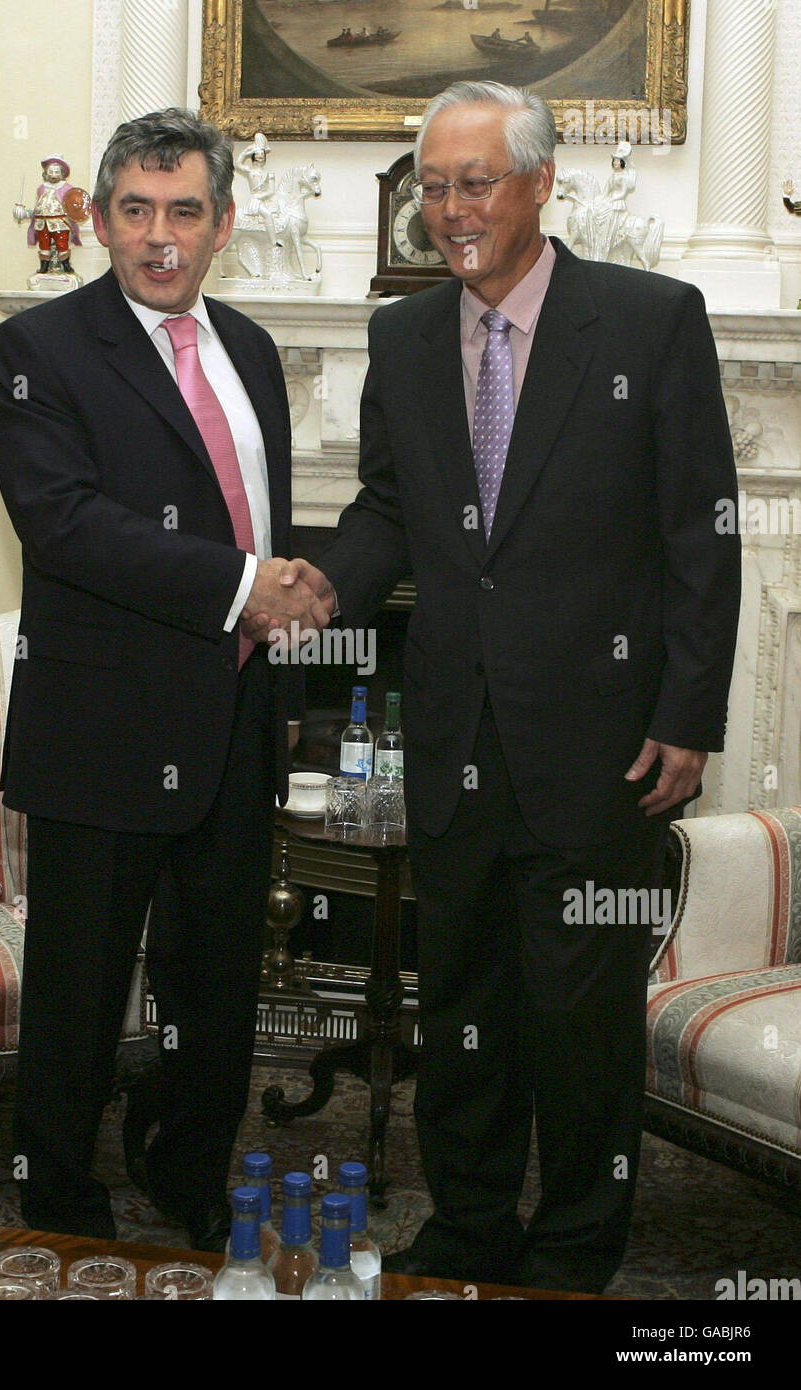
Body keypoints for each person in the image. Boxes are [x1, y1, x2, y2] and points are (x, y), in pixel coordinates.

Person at [298, 80, 741, 1293]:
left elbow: (702, 536)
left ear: (541, 182)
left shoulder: (650, 322)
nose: (449, 210)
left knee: (584, 1022)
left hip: (604, 746)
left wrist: (688, 717)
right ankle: (470, 1225)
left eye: (474, 181)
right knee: (468, 1007)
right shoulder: (400, 336)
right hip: (454, 741)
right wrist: (317, 589)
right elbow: (390, 509)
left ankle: (574, 1250)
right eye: (433, 186)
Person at [0, 108, 333, 1248]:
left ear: (222, 223)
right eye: (134, 210)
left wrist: (280, 636)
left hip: (235, 718)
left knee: (216, 984)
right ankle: (59, 1200)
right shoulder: (37, 349)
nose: (158, 237)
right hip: (103, 724)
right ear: (97, 218)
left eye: (184, 211)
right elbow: (65, 525)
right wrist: (246, 588)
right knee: (78, 996)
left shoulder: (250, 349)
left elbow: (266, 516)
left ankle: (187, 1176)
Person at [24, 156, 83, 276]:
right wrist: (27, 213)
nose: (53, 174)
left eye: (56, 172)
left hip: (59, 221)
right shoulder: (41, 188)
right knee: (43, 243)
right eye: (51, 171)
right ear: (46, 173)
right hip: (42, 221)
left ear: (61, 173)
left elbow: (73, 203)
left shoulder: (66, 188)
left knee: (62, 242)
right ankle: (44, 265)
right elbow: (37, 207)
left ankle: (66, 264)